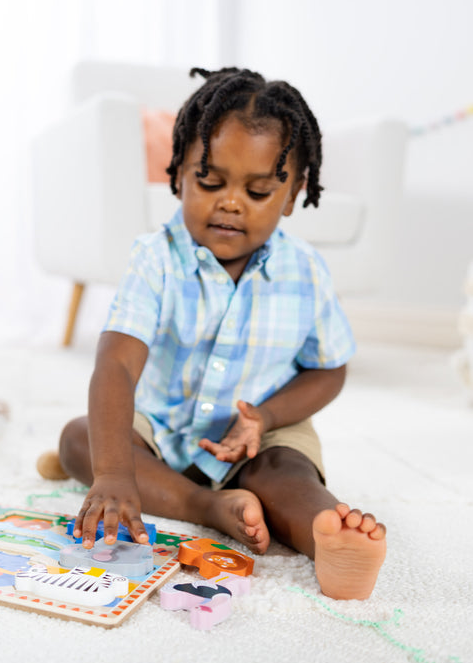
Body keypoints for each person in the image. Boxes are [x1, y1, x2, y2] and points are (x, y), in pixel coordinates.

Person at [38, 67, 386, 601]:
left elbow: (330, 367)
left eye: (259, 190)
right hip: (160, 426)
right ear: (177, 174)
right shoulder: (155, 258)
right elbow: (116, 365)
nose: (231, 202)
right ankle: (207, 508)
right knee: (81, 438)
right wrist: (112, 474)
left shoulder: (307, 271)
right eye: (210, 182)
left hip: (256, 436)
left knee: (286, 473)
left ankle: (330, 540)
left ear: (291, 195)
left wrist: (266, 418)